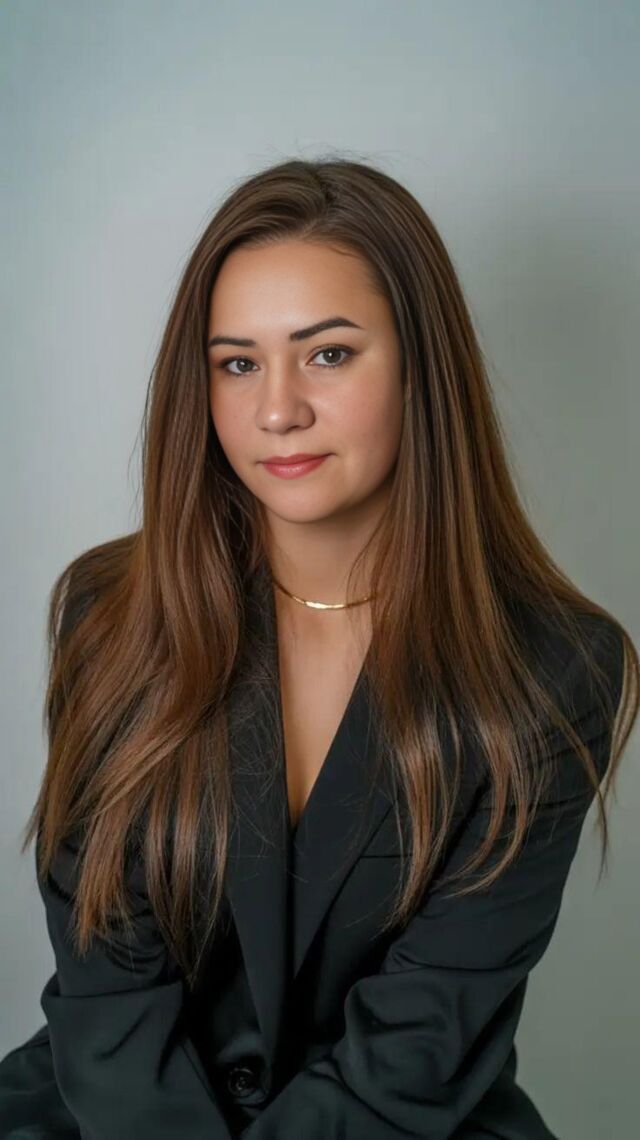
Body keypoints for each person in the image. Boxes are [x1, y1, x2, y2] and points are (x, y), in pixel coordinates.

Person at [0, 156, 637, 1140]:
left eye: (328, 354)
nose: (276, 410)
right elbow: (108, 988)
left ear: (420, 366)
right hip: (115, 1106)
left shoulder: (557, 670)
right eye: (237, 363)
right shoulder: (110, 612)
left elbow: (423, 1037)